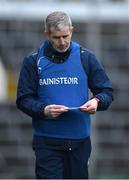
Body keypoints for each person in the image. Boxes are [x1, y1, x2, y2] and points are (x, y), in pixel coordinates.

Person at [16, 11, 113, 179]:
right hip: (46, 142)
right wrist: (43, 109)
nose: (61, 42)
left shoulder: (86, 57)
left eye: (65, 36)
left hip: (79, 142)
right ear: (47, 34)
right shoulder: (33, 61)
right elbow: (23, 99)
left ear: (72, 30)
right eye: (56, 37)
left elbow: (106, 92)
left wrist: (97, 101)